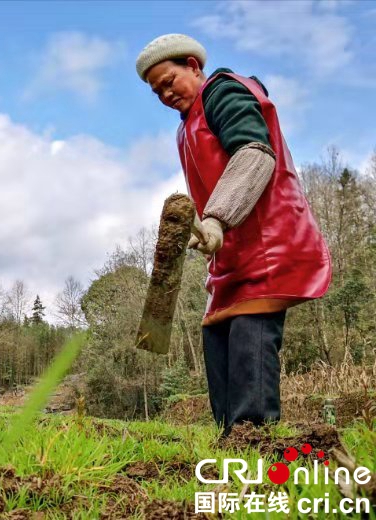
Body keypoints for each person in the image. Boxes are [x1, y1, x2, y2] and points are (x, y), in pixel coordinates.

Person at [135, 34, 331, 435]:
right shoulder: (185, 127)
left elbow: (253, 153)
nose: (165, 94)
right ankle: (231, 442)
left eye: (169, 81)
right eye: (156, 92)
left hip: (267, 243)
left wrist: (218, 218)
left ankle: (256, 442)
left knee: (248, 338)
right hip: (229, 256)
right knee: (217, 338)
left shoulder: (223, 92)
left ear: (193, 65)